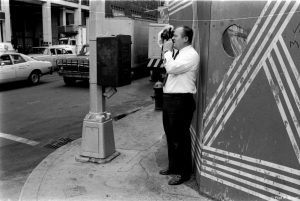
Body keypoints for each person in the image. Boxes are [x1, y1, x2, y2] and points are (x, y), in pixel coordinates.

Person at [159, 26, 200, 185]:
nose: (173, 38)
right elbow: (161, 42)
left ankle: (184, 173)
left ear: (186, 39)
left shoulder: (191, 55)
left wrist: (167, 52)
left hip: (181, 100)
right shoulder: (179, 53)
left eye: (175, 36)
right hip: (170, 98)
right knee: (170, 135)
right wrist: (165, 33)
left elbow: (171, 68)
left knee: (180, 138)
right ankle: (174, 167)